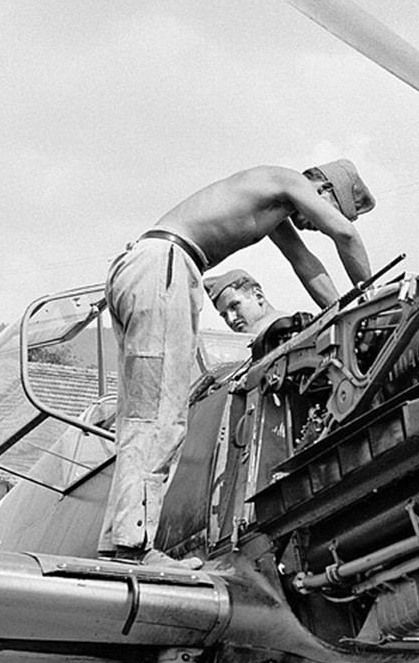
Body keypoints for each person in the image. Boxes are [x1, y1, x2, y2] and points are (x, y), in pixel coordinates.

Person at [99, 161, 375, 560]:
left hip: (143, 265)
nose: (312, 225)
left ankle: (117, 542)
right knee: (163, 416)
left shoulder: (272, 201)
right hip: (164, 266)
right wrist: (368, 298)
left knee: (140, 417)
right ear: (324, 189)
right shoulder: (287, 180)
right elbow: (344, 233)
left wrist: (343, 311)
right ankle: (133, 546)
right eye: (322, 213)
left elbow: (305, 263)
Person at [203, 269, 280, 337]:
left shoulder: (275, 328)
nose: (231, 319)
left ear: (258, 295)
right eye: (224, 315)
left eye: (234, 306)